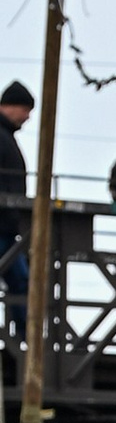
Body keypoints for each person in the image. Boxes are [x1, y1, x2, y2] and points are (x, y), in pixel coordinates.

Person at [0, 78, 31, 344]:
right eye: (25, 110)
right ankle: (25, 339)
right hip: (4, 225)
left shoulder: (6, 136)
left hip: (7, 226)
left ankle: (24, 338)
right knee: (20, 282)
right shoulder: (3, 137)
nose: (28, 117)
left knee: (21, 281)